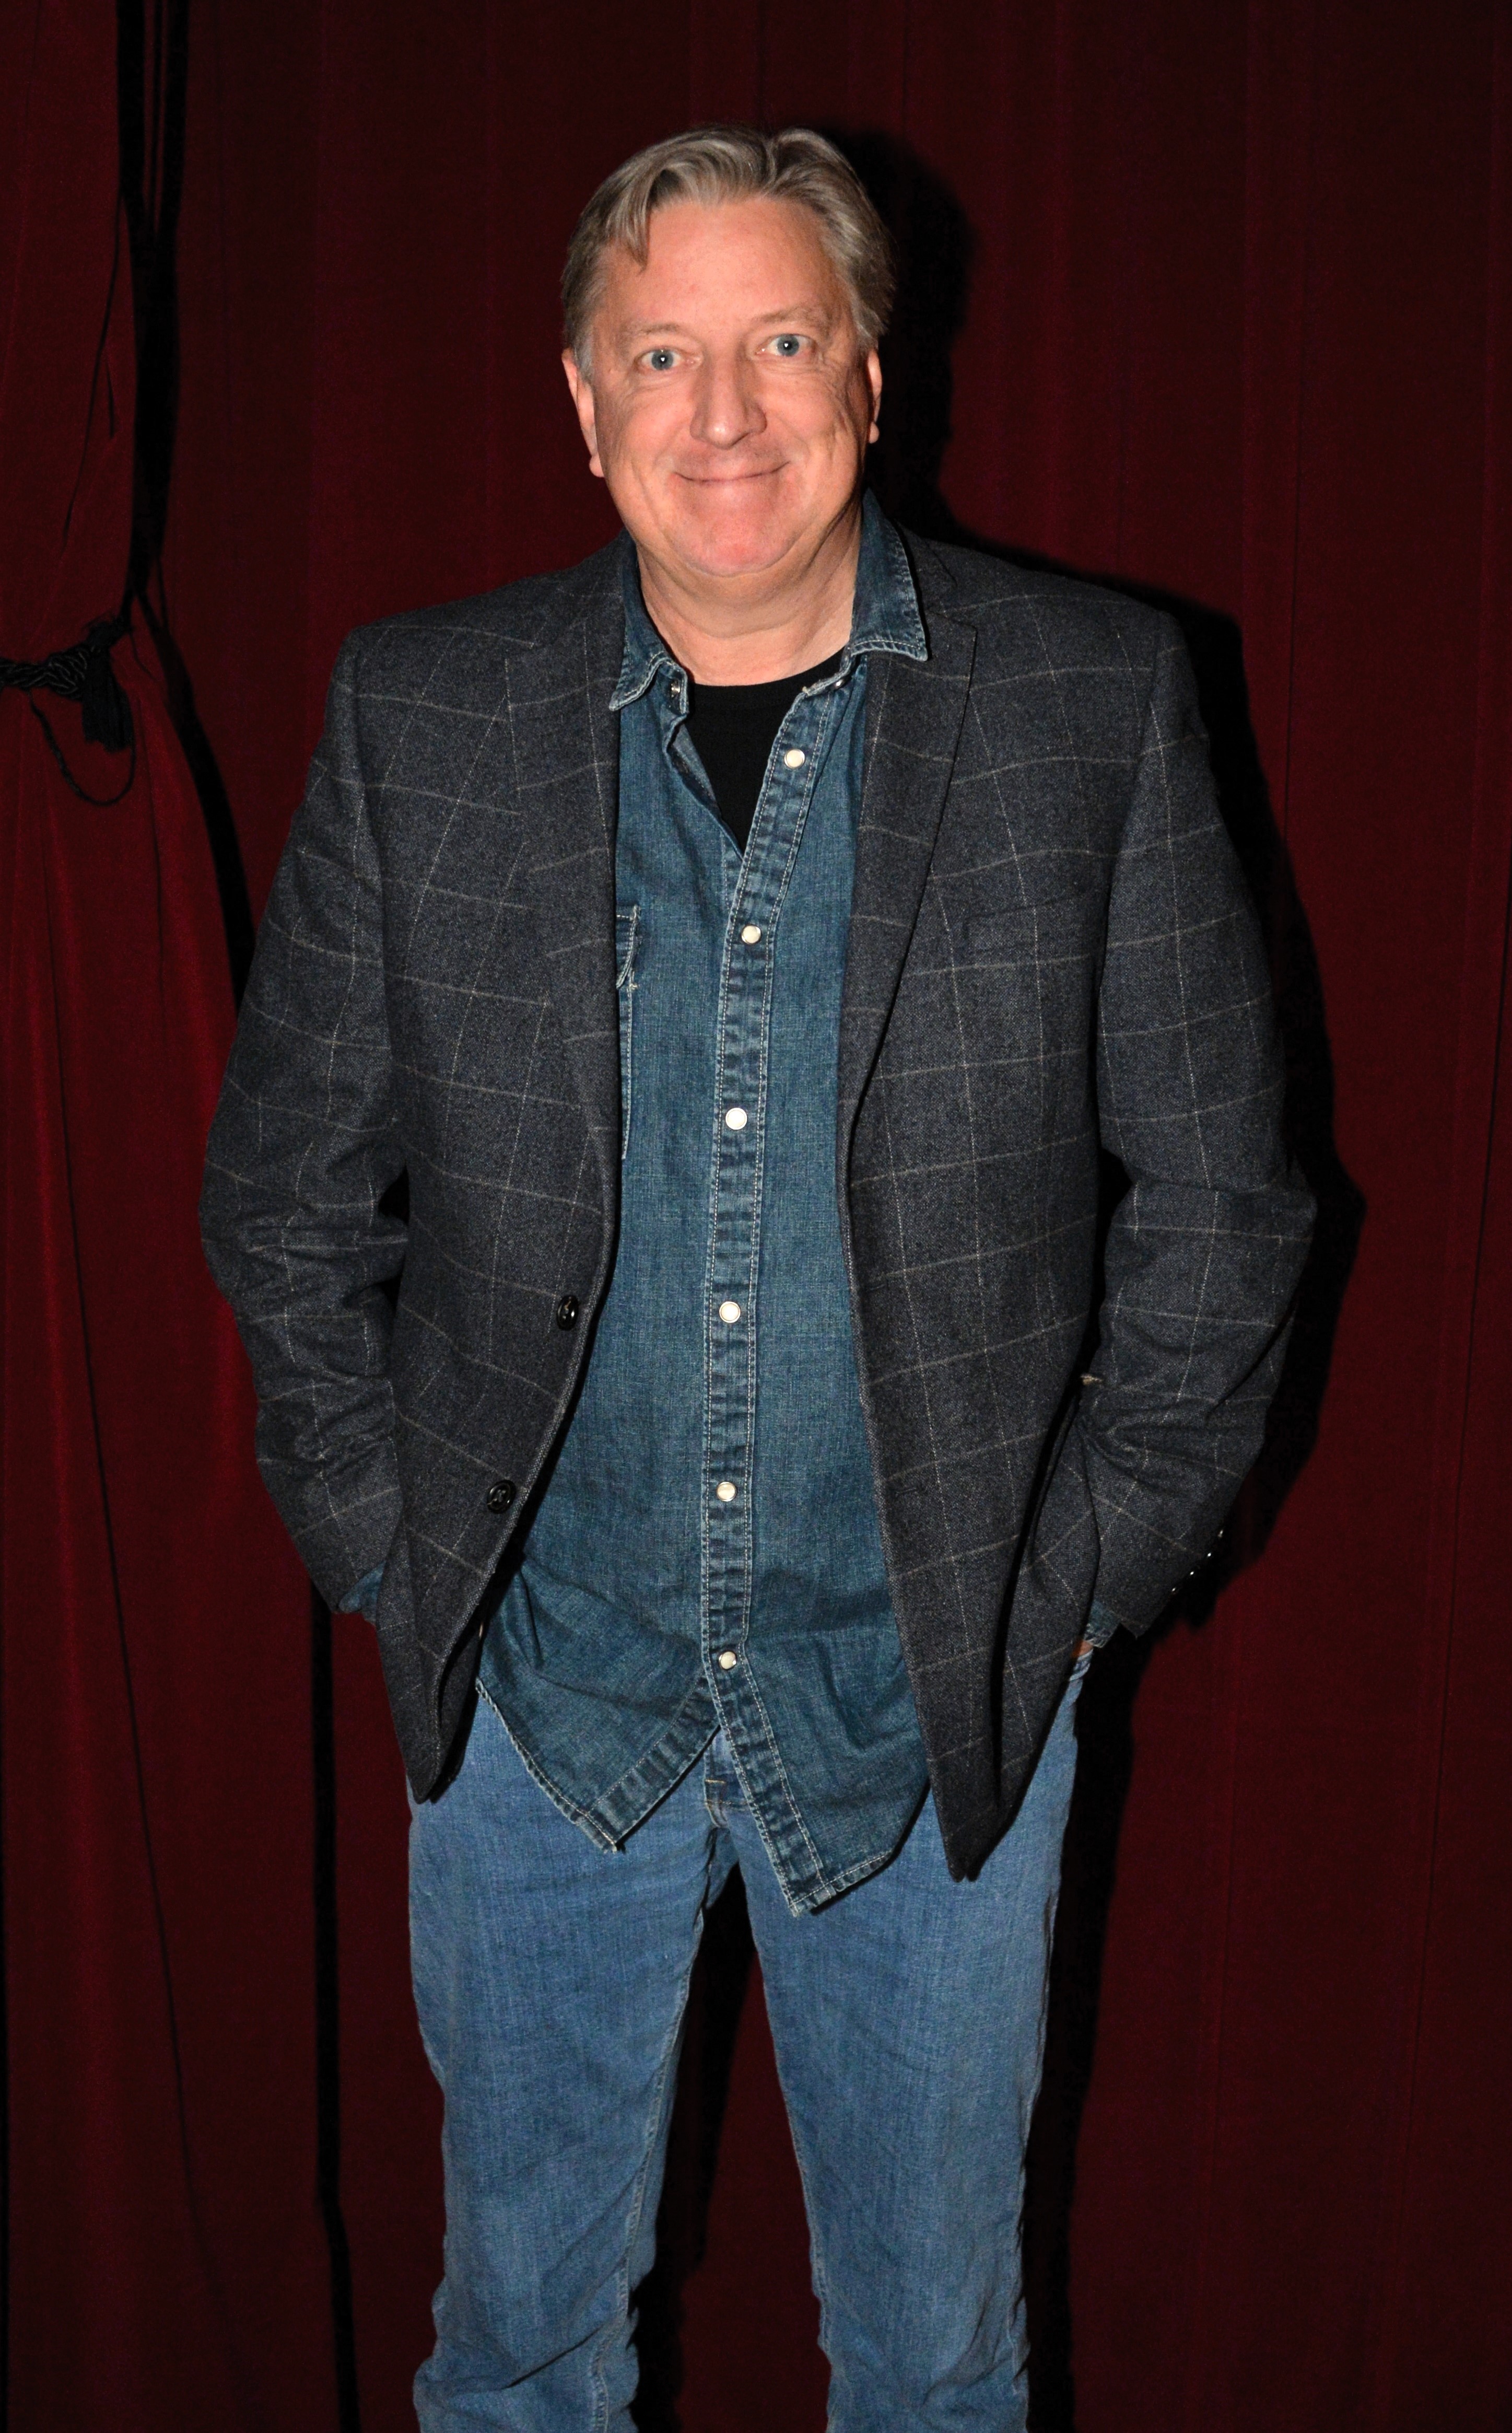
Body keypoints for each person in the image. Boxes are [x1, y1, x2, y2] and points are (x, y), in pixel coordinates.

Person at [202, 124, 1313, 2433]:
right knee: (516, 2364)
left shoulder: (1091, 705)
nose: (724, 411)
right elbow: (286, 1197)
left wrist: (1074, 1585)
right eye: (662, 353)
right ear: (582, 399)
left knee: (932, 2374)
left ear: (871, 378)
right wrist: (396, 1555)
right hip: (535, 1714)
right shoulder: (423, 715)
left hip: (934, 1716)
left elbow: (1227, 1206)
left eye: (782, 341)